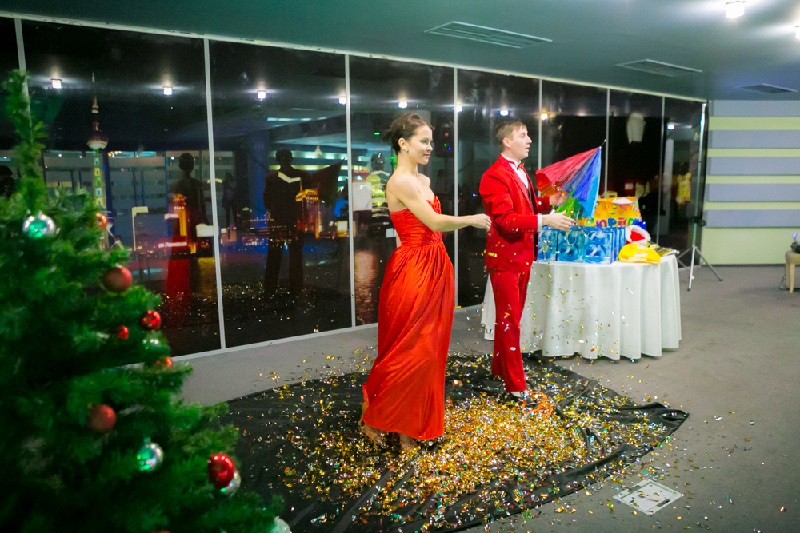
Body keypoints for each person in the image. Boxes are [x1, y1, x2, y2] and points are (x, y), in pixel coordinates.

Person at [361, 112, 490, 451]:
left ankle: (407, 423)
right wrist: (471, 219)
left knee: (430, 351)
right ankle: (380, 419)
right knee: (411, 349)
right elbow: (433, 221)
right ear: (403, 144)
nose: (430, 147)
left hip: (435, 266)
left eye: (431, 141)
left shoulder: (424, 180)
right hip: (414, 269)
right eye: (424, 141)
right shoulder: (400, 182)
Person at [479, 120, 574, 400]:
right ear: (507, 141)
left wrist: (549, 202)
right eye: (523, 135)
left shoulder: (520, 172)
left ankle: (500, 370)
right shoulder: (493, 176)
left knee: (510, 319)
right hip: (505, 258)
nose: (529, 139)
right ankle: (515, 385)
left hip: (522, 255)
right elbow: (507, 221)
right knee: (510, 323)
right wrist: (546, 220)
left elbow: (527, 207)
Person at [263, 148, 310, 297]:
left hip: (278, 222)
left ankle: (270, 290)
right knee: (296, 256)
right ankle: (296, 289)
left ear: (277, 160)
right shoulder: (302, 176)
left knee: (274, 257)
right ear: (291, 159)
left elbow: (266, 203)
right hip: (296, 222)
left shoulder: (271, 179)